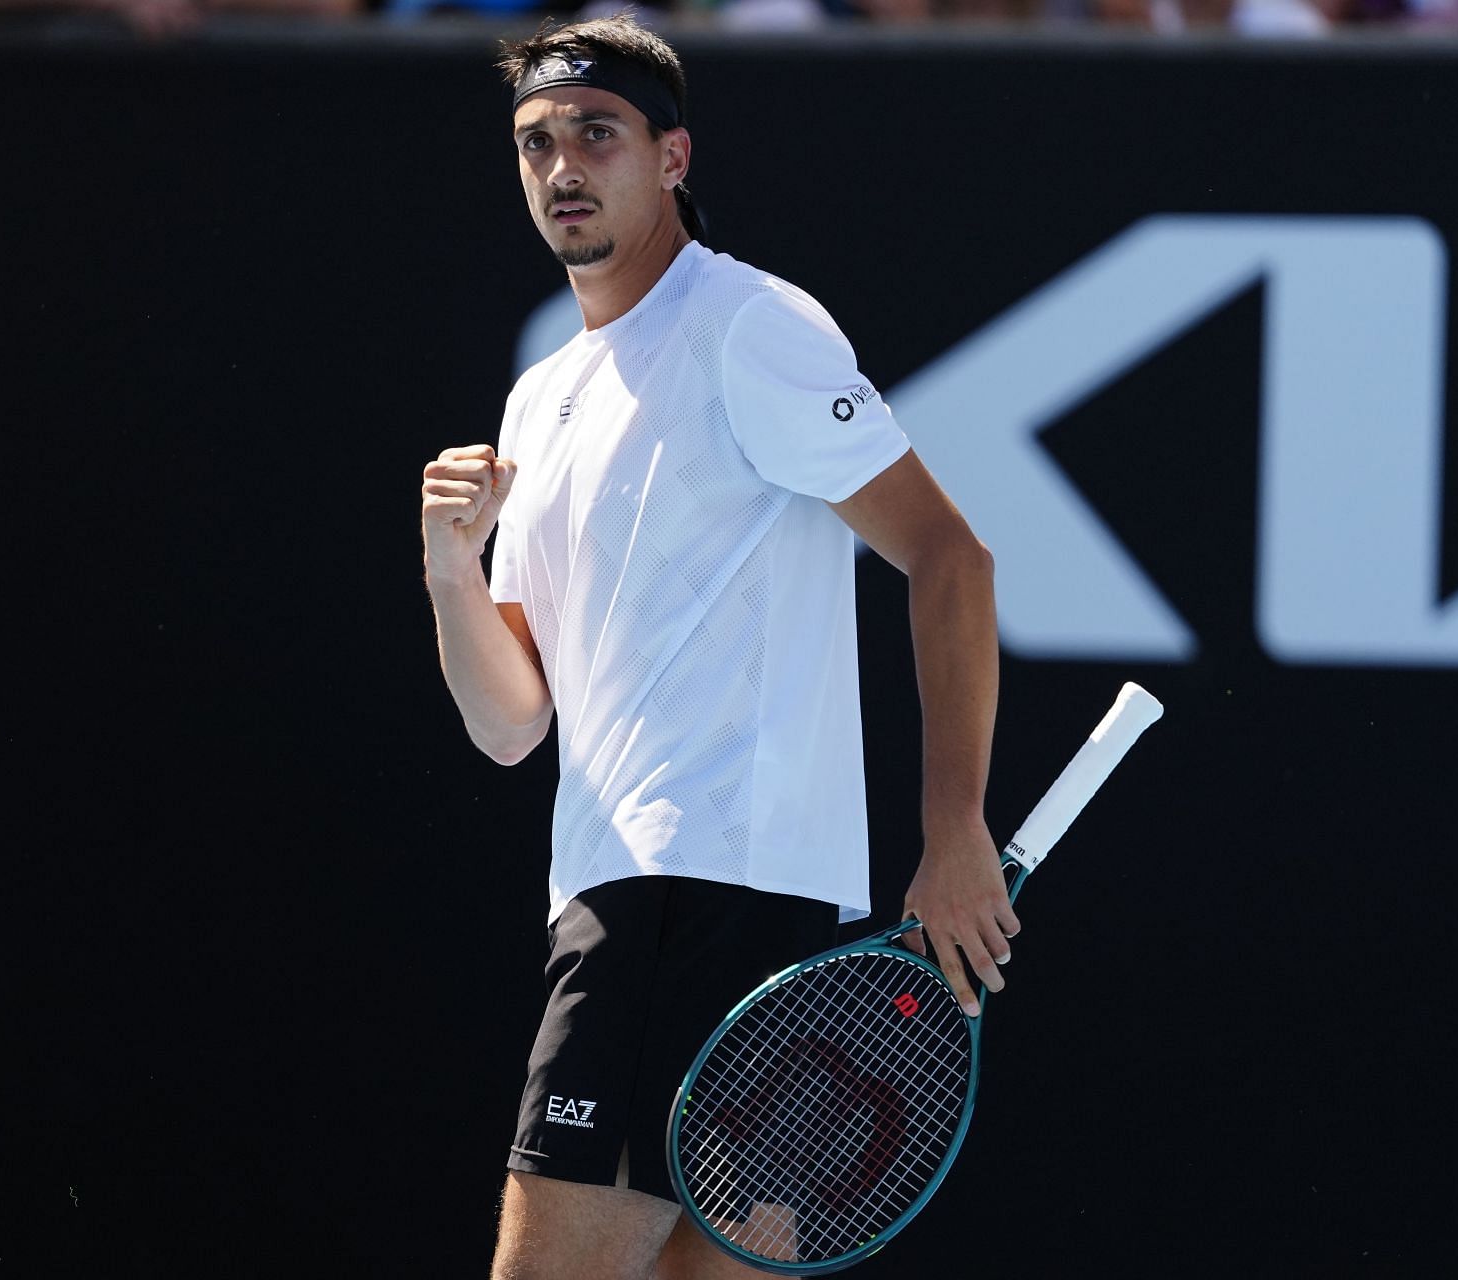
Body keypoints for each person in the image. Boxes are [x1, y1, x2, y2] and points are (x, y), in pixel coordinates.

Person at [417, 14, 1015, 1278]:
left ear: (672, 156)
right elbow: (512, 719)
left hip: (689, 897)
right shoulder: (542, 396)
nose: (564, 166)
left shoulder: (749, 325)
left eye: (598, 133)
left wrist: (953, 826)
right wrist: (447, 566)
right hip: (650, 897)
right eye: (536, 143)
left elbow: (950, 557)